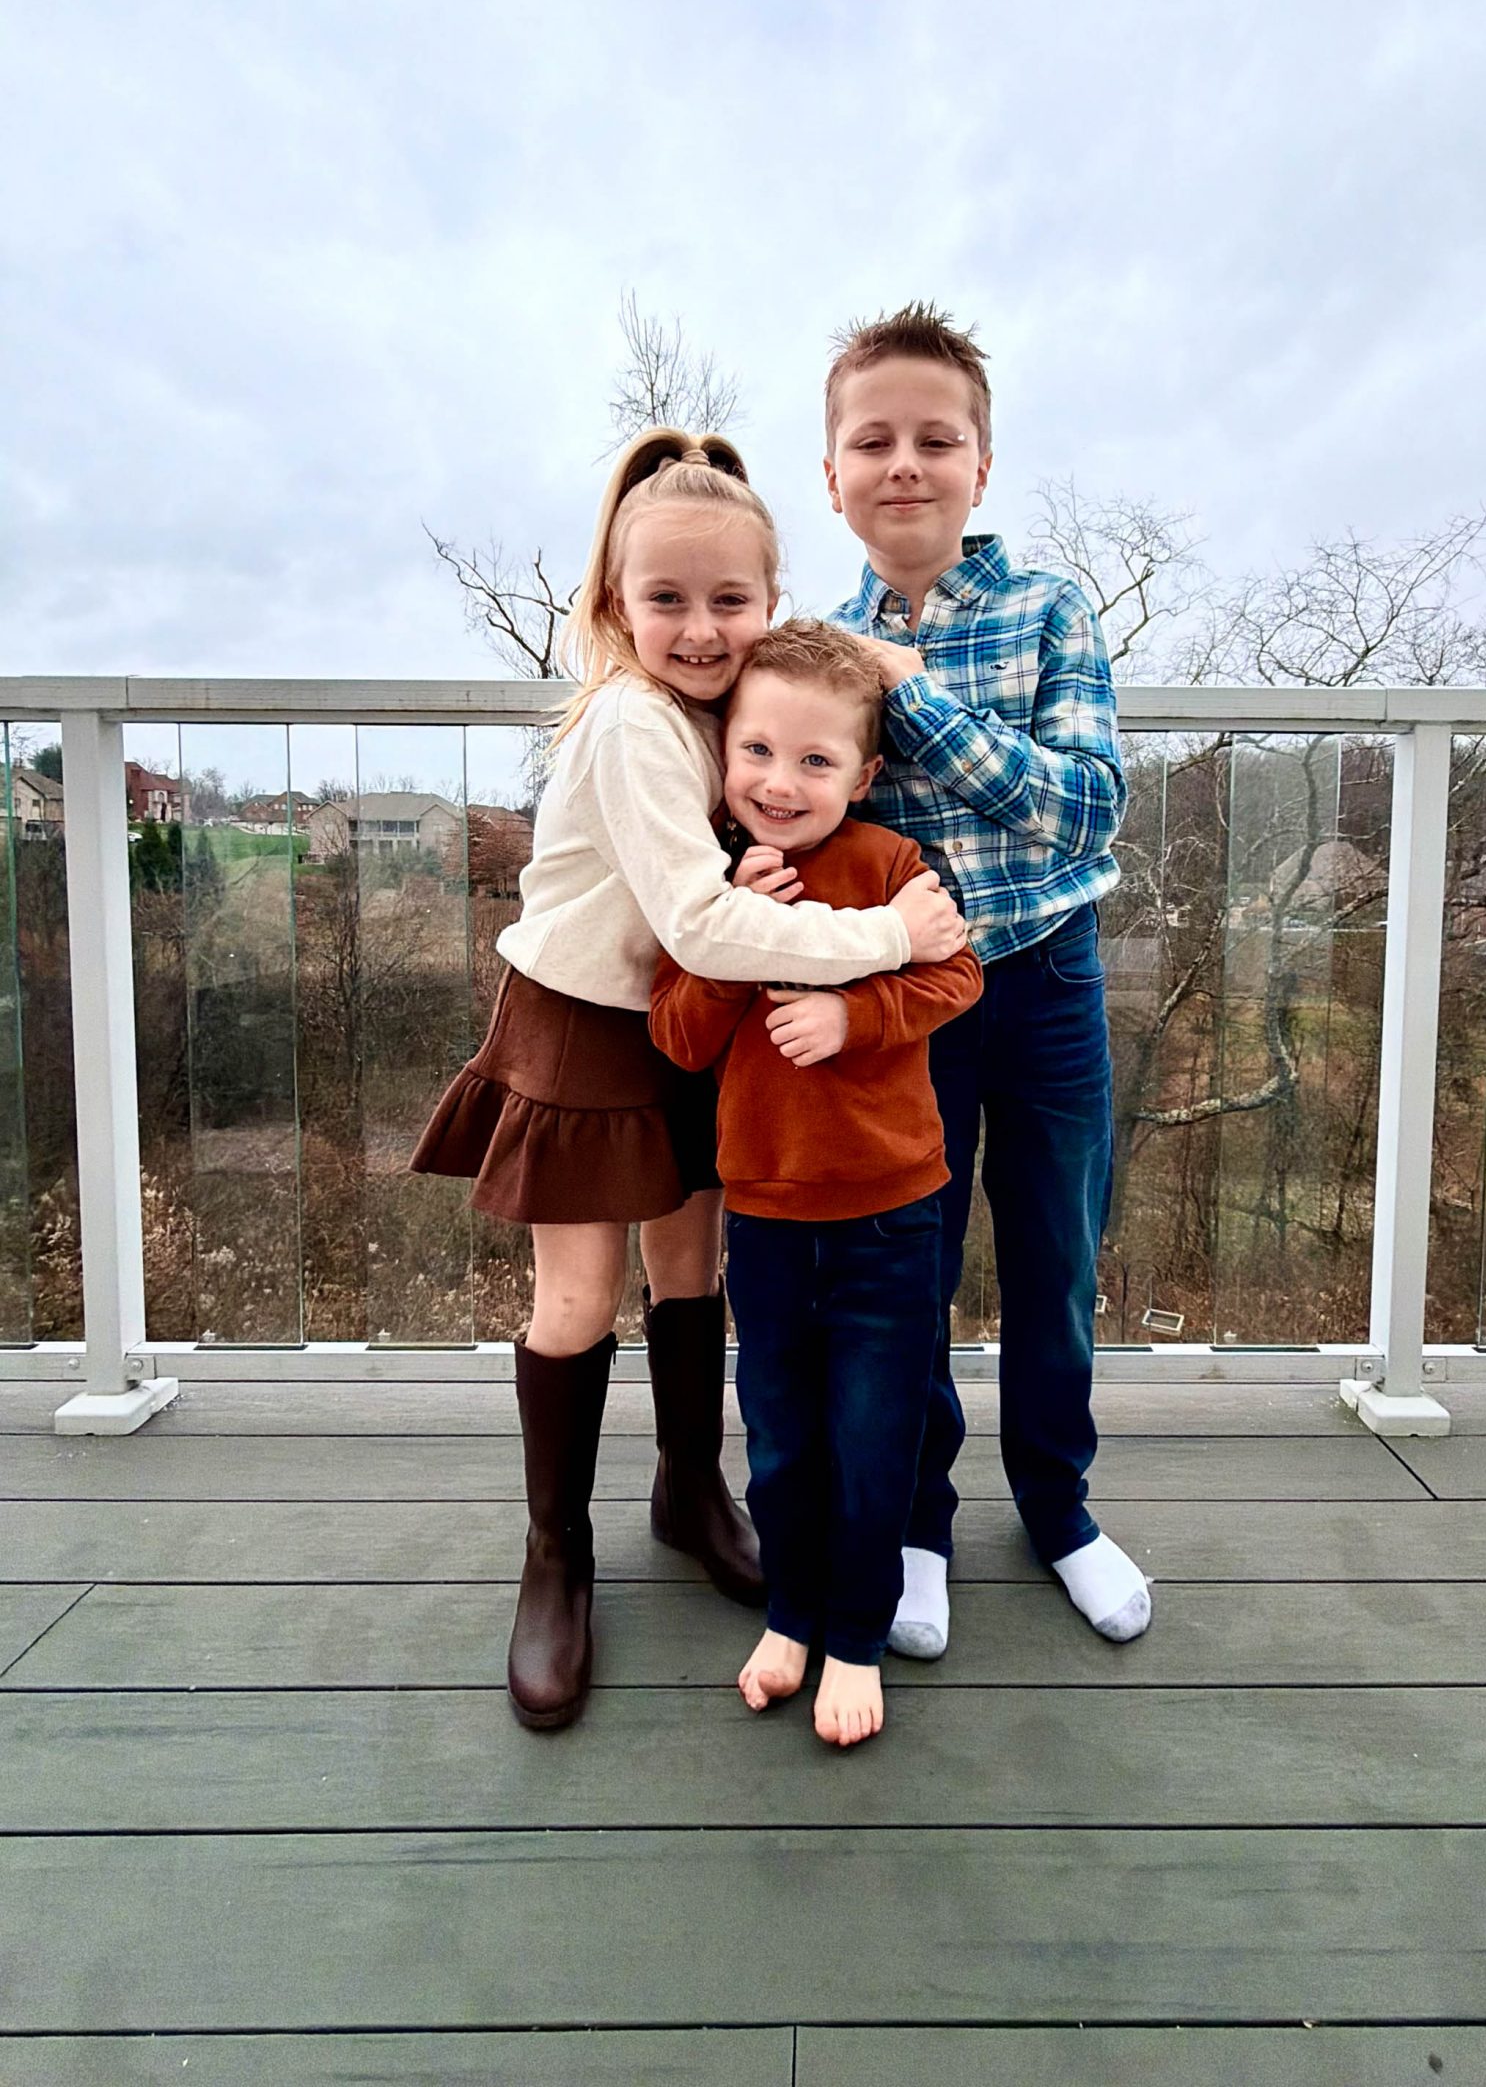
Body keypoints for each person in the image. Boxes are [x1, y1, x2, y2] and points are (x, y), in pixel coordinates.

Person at [411, 432, 967, 1732]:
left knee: (690, 1270)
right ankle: (556, 1558)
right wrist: (890, 938)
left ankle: (689, 1488)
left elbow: (833, 699)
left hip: (689, 1024)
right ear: (616, 602)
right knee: (575, 1298)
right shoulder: (629, 721)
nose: (704, 629)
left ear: (770, 601)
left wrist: (887, 662)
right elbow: (706, 923)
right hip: (584, 1024)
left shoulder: (734, 706)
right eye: (667, 599)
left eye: (731, 600)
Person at [822, 303, 1153, 1654]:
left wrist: (915, 700)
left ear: (981, 465)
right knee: (908, 1265)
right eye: (873, 441)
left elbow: (1085, 810)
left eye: (934, 438)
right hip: (908, 1002)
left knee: (1055, 1256)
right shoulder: (816, 647)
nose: (904, 463)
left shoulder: (1047, 608)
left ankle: (1059, 1509)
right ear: (832, 474)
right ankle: (918, 1524)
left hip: (1048, 983)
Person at [651, 623, 982, 1745]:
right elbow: (679, 1036)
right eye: (756, 752)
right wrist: (735, 937)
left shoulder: (889, 865)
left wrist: (854, 1014)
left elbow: (956, 975)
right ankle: (790, 1615)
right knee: (782, 1439)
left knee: (875, 1440)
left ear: (864, 772)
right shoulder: (713, 881)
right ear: (723, 754)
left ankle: (855, 1636)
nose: (780, 784)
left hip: (892, 1217)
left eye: (815, 760)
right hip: (768, 1222)